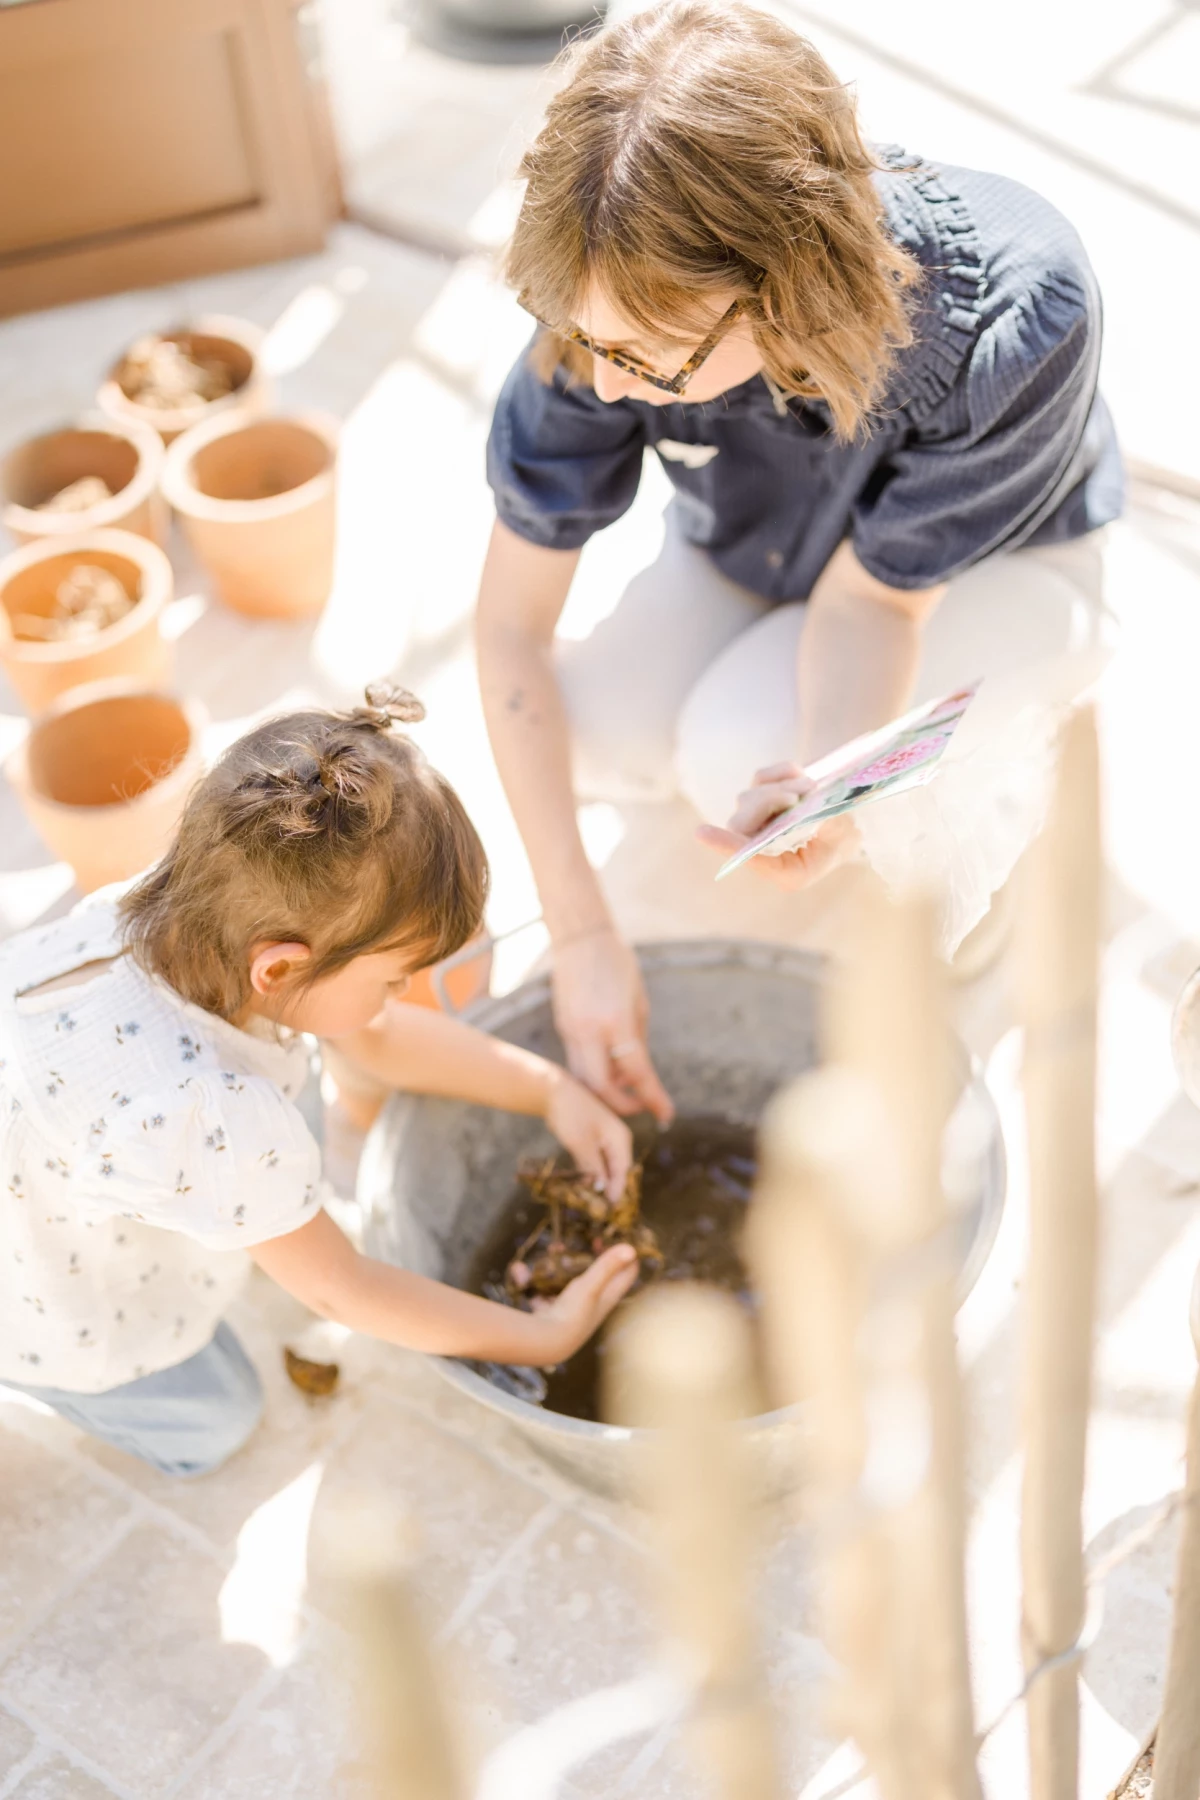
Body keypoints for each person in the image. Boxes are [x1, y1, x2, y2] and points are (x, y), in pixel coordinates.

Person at [476, 0, 1124, 1117]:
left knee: (744, 751)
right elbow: (508, 629)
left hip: (996, 572)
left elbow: (876, 607)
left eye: (650, 361)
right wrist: (580, 931)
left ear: (787, 288)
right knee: (596, 725)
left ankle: (986, 841)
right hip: (760, 542)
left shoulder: (1021, 307)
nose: (611, 385)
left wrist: (832, 779)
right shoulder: (602, 313)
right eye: (590, 341)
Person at [0, 688, 637, 1477]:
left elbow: (374, 1034)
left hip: (59, 1138)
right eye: (395, 978)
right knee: (214, 1422)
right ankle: (38, 1374)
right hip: (34, 1291)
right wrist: (544, 1338)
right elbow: (343, 1292)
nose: (400, 996)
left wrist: (552, 1092)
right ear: (280, 968)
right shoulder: (208, 1115)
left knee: (298, 1077)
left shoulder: (186, 914)